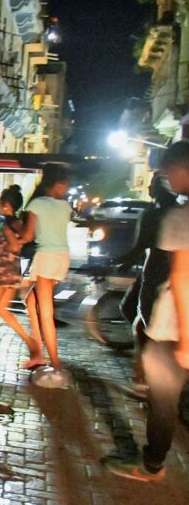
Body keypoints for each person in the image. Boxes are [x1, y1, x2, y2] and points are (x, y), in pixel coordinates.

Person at [105, 140, 189, 482]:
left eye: (167, 172)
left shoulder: (179, 217)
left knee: (163, 400)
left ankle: (152, 465)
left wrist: (185, 339)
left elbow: (181, 276)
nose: (165, 179)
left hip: (173, 327)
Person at [116, 173, 178, 395]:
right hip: (164, 275)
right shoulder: (175, 211)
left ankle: (145, 375)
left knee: (143, 322)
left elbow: (140, 246)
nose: (149, 188)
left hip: (155, 275)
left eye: (152, 184)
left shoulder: (155, 213)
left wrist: (120, 262)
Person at [16, 164, 72, 372]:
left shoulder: (37, 204)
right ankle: (38, 352)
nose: (66, 188)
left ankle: (54, 363)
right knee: (31, 299)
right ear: (55, 183)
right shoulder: (66, 206)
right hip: (62, 257)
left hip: (46, 257)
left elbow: (28, 236)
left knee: (45, 312)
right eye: (64, 183)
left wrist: (12, 239)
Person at [0, 187, 39, 365]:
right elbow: (23, 242)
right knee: (1, 311)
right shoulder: (19, 224)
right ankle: (29, 340)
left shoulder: (8, 224)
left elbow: (14, 246)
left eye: (3, 204)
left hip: (2, 270)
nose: (0, 207)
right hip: (14, 270)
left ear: (10, 206)